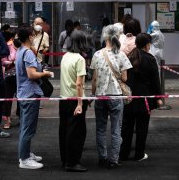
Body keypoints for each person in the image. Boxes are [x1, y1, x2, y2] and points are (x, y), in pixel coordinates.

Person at [90, 25, 132, 169]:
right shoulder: (121, 55)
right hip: (116, 96)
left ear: (105, 37)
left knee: (100, 129)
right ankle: (114, 160)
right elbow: (125, 78)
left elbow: (94, 79)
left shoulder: (97, 55)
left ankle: (102, 158)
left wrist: (92, 94)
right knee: (116, 130)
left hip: (100, 96)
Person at [15, 26, 53, 169]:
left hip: (24, 93)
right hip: (29, 94)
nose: (34, 37)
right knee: (28, 127)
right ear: (29, 37)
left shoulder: (21, 51)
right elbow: (31, 75)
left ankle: (25, 153)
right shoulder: (28, 53)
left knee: (26, 126)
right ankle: (24, 159)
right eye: (33, 35)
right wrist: (45, 74)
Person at [119, 33, 162, 162]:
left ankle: (123, 154)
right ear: (147, 44)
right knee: (142, 127)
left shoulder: (128, 56)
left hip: (129, 97)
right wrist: (158, 97)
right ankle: (139, 154)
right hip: (144, 99)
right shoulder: (150, 59)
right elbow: (155, 81)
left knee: (126, 127)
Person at [59, 30, 89, 172]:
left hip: (63, 98)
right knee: (76, 132)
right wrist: (80, 103)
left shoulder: (65, 56)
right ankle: (72, 162)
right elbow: (79, 84)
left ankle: (65, 159)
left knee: (64, 130)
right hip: (74, 100)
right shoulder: (80, 59)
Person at [2, 28, 20, 129]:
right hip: (9, 75)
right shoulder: (8, 46)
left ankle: (21, 117)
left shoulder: (23, 47)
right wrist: (12, 62)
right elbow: (3, 61)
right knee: (8, 98)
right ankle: (7, 119)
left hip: (21, 76)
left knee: (21, 98)